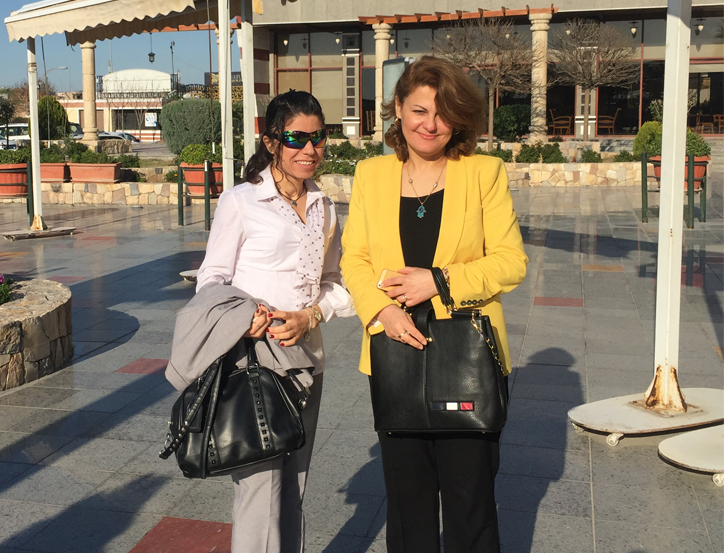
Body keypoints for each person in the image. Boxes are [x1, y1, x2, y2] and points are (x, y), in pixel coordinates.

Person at [340, 56, 528, 553]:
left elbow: (511, 262)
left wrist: (440, 281)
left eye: (443, 113)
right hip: (395, 352)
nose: (430, 124)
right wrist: (381, 311)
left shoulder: (483, 172)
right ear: (398, 108)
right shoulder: (371, 174)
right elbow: (354, 258)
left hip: (466, 357)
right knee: (408, 508)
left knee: (471, 505)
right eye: (420, 110)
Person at [195, 90, 354, 553]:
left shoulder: (324, 207)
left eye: (318, 138)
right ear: (271, 143)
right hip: (254, 365)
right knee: (259, 493)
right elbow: (211, 279)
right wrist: (245, 317)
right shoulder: (241, 201)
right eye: (296, 138)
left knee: (294, 484)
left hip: (307, 362)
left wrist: (311, 315)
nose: (310, 149)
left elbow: (335, 282)